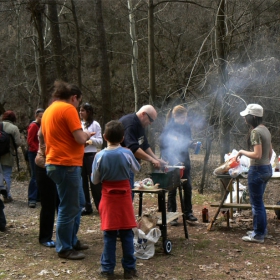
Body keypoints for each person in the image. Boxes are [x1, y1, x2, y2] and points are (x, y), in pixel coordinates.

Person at [41, 80, 93, 260]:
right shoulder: (68, 109)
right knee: (68, 206)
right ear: (74, 98)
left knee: (78, 203)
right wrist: (87, 134)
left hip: (57, 163)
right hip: (66, 164)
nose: (78, 105)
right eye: (79, 101)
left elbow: (43, 135)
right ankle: (64, 247)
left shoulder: (49, 110)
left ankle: (72, 240)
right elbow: (79, 138)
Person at [91, 120, 141, 279]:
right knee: (127, 234)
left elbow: (95, 180)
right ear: (122, 138)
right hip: (124, 197)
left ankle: (107, 269)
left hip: (108, 198)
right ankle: (130, 269)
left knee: (109, 234)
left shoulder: (99, 155)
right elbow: (137, 169)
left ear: (104, 137)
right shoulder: (127, 153)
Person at [236, 104, 272, 243]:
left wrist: (241, 151)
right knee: (259, 202)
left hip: (257, 170)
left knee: (256, 204)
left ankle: (258, 235)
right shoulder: (265, 130)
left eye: (247, 116)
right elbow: (269, 152)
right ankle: (261, 230)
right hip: (266, 168)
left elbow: (257, 154)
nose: (245, 118)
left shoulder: (256, 132)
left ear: (254, 117)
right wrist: (266, 164)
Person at [160, 105, 198, 224]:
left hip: (184, 158)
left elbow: (186, 141)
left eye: (185, 118)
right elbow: (163, 145)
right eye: (182, 118)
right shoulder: (169, 127)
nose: (184, 120)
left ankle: (188, 213)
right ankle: (172, 214)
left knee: (188, 186)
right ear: (175, 116)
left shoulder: (186, 126)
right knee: (173, 186)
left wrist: (192, 144)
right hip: (171, 158)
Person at [119, 105, 166, 192]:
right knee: (128, 194)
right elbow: (133, 148)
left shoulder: (140, 124)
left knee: (130, 194)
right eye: (151, 120)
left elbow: (144, 144)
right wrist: (152, 160)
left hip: (129, 165)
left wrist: (156, 159)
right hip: (122, 166)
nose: (151, 123)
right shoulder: (131, 124)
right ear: (143, 114)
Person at [35, 127, 59, 247]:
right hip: (45, 166)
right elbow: (46, 149)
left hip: (57, 166)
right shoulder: (45, 128)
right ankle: (45, 237)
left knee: (61, 203)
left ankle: (64, 236)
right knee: (48, 204)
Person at [79, 103, 103, 215]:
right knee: (82, 182)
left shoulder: (95, 124)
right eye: (80, 110)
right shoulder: (78, 124)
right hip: (80, 155)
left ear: (88, 112)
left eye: (82, 110)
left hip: (91, 155)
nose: (80, 113)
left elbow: (100, 141)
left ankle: (100, 206)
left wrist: (91, 141)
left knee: (95, 182)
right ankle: (86, 206)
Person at [0, 111, 22, 203]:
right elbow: (18, 142)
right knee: (7, 175)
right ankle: (7, 195)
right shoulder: (14, 128)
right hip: (8, 154)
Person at [27, 108, 44, 208]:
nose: (41, 118)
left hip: (41, 153)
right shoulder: (33, 126)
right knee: (34, 176)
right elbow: (30, 140)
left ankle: (38, 196)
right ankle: (32, 198)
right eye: (40, 116)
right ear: (36, 117)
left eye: (43, 116)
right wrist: (37, 149)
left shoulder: (44, 125)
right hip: (33, 153)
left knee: (40, 176)